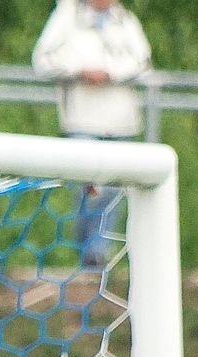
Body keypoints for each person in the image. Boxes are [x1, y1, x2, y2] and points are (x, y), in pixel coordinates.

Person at [32, 0, 152, 268]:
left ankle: (96, 253)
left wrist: (110, 73)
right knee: (90, 188)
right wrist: (80, 71)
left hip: (120, 123)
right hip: (82, 121)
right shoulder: (67, 17)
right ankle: (88, 251)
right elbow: (43, 60)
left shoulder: (125, 20)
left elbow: (143, 63)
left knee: (113, 189)